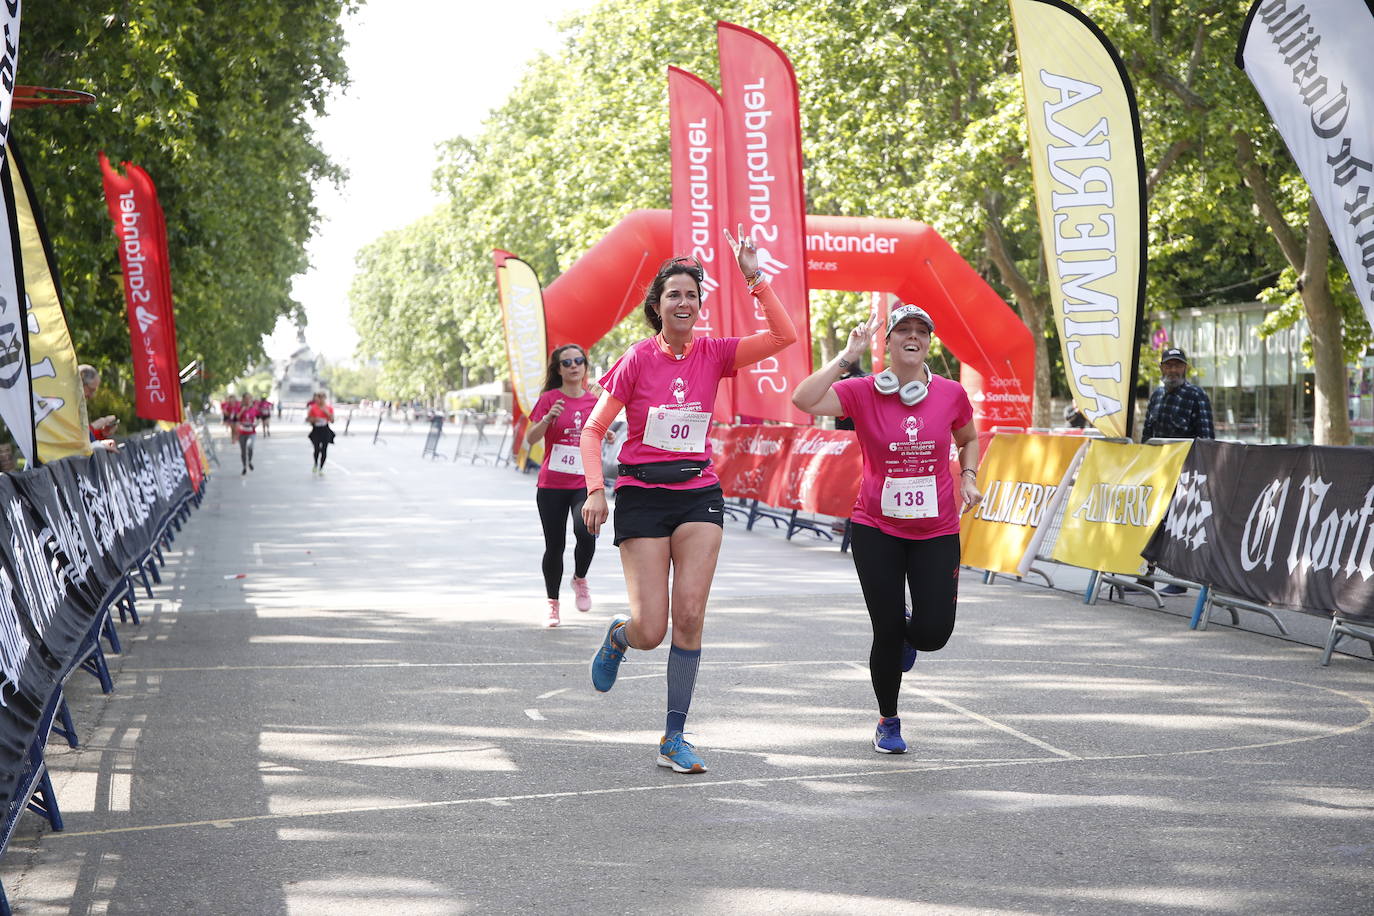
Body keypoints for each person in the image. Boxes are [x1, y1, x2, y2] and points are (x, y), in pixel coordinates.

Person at [579, 227, 797, 774]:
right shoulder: (636, 360)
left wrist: (753, 277)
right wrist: (596, 490)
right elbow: (592, 430)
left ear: (701, 306)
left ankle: (675, 735)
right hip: (642, 496)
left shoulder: (716, 354)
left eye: (691, 294)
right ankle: (619, 636)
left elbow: (783, 335)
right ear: (658, 306)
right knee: (651, 630)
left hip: (698, 492)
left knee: (692, 615)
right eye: (673, 293)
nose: (684, 301)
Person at [791, 303, 982, 755]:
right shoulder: (862, 391)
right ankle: (888, 720)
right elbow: (803, 399)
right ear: (889, 341)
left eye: (921, 330)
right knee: (887, 628)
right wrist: (847, 355)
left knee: (934, 632)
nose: (912, 336)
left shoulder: (951, 394)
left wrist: (969, 477)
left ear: (928, 342)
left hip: (936, 529)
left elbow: (968, 437)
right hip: (877, 528)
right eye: (903, 330)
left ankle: (909, 634)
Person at [526, 344, 603, 628]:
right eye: (567, 362)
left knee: (586, 532)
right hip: (552, 484)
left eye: (578, 361)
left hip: (584, 481)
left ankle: (580, 578)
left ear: (585, 365)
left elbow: (600, 431)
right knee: (554, 546)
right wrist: (548, 419)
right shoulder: (549, 399)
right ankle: (552, 604)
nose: (573, 366)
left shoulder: (594, 402)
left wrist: (604, 438)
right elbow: (531, 438)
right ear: (558, 369)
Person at [1141, 347, 1214, 595]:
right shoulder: (1156, 396)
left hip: (1186, 472)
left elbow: (1207, 438)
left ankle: (1177, 581)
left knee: (1178, 525)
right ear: (1161, 368)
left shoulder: (1197, 396)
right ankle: (1146, 577)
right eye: (1169, 365)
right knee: (1153, 523)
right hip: (1158, 471)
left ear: (1186, 368)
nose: (1173, 370)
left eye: (1178, 365)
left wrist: (1204, 472)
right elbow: (1147, 434)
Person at [78, 364, 120, 447]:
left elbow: (84, 440)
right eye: (91, 390)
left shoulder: (78, 406)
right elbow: (74, 441)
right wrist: (94, 426)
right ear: (80, 384)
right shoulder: (63, 406)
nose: (91, 396)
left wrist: (101, 433)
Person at [306, 392, 335, 473]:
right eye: (318, 398)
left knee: (324, 449)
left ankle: (321, 467)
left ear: (324, 398)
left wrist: (327, 413)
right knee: (316, 448)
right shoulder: (313, 408)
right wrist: (314, 419)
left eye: (322, 398)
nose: (320, 400)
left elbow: (332, 420)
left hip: (325, 429)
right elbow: (308, 419)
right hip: (316, 429)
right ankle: (315, 463)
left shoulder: (329, 408)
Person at [236, 401, 258, 475]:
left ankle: (249, 461)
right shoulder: (240, 409)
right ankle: (244, 467)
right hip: (242, 432)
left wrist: (256, 424)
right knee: (243, 451)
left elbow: (257, 419)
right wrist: (242, 411)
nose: (248, 403)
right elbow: (237, 417)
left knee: (250, 447)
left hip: (251, 432)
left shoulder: (254, 409)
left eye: (250, 401)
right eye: (247, 401)